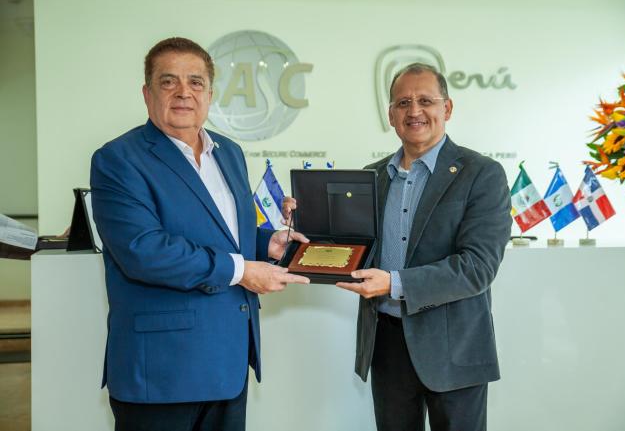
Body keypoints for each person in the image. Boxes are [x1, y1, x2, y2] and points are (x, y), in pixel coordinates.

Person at [90, 37, 310, 431]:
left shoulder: (229, 152)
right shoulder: (118, 159)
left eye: (195, 82)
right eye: (168, 81)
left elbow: (227, 234)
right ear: (147, 93)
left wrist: (266, 243)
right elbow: (144, 251)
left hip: (228, 362)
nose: (183, 92)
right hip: (161, 371)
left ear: (209, 94)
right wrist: (243, 271)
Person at [283, 63, 511, 431]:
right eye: (403, 103)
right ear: (391, 115)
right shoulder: (371, 176)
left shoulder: (481, 174)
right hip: (387, 343)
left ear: (447, 108)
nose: (414, 111)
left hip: (454, 346)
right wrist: (304, 221)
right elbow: (346, 245)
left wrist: (394, 283)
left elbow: (477, 267)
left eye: (425, 101)